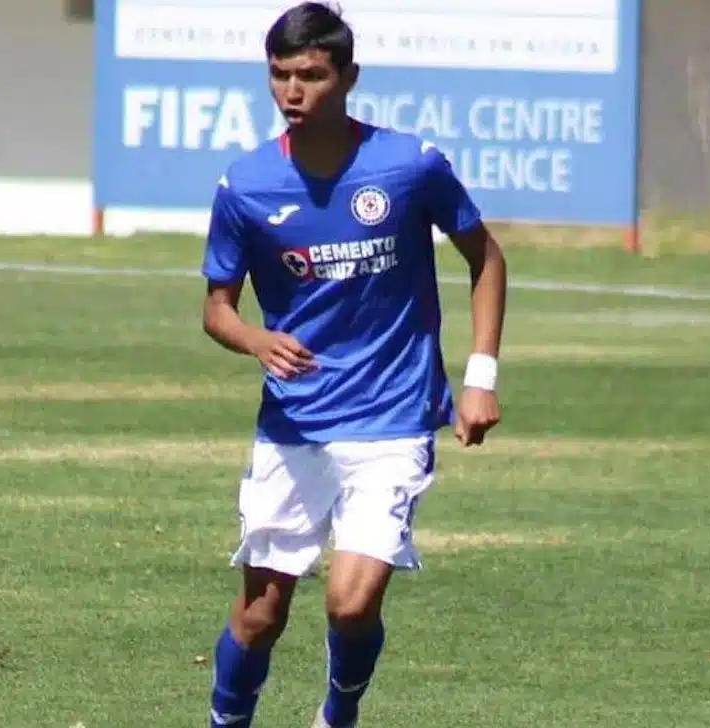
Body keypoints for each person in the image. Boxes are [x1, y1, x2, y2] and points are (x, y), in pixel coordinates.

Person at [198, 3, 508, 726]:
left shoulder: (409, 167)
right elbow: (216, 307)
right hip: (294, 423)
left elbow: (485, 259)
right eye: (280, 76)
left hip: (393, 418)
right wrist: (253, 339)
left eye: (311, 75)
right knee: (260, 616)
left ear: (349, 77)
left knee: (351, 599)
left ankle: (338, 712)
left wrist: (480, 377)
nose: (293, 92)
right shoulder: (244, 187)